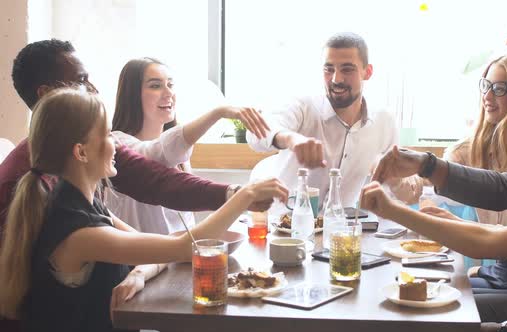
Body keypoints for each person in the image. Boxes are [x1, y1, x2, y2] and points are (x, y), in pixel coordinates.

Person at [0, 38, 271, 331]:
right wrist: (246, 194)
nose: (116, 143)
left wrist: (141, 271)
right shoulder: (77, 230)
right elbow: (181, 246)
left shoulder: (83, 203)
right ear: (81, 151)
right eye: (107, 136)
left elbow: (165, 249)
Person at [371, 63, 507, 330]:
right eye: (486, 86)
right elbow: (503, 191)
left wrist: (398, 210)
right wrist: (425, 165)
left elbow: (497, 242)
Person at [391, 54, 507, 292]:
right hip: (498, 269)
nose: (487, 96)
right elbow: (415, 192)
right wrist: (393, 175)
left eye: (499, 89)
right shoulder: (474, 148)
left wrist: (460, 227)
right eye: (485, 86)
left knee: (436, 300)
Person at [107, 57, 269, 235]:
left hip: (178, 255)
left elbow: (186, 216)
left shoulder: (179, 153)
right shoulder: (117, 144)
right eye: (155, 85)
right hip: (142, 260)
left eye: (170, 84)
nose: (168, 93)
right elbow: (155, 154)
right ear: (132, 95)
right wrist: (218, 112)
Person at [247, 32, 398, 207]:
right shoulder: (303, 105)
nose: (336, 79)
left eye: (347, 69)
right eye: (329, 69)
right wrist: (291, 139)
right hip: (285, 225)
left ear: (367, 72)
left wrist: (404, 182)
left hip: (342, 228)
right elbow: (255, 134)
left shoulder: (384, 121)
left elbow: (394, 189)